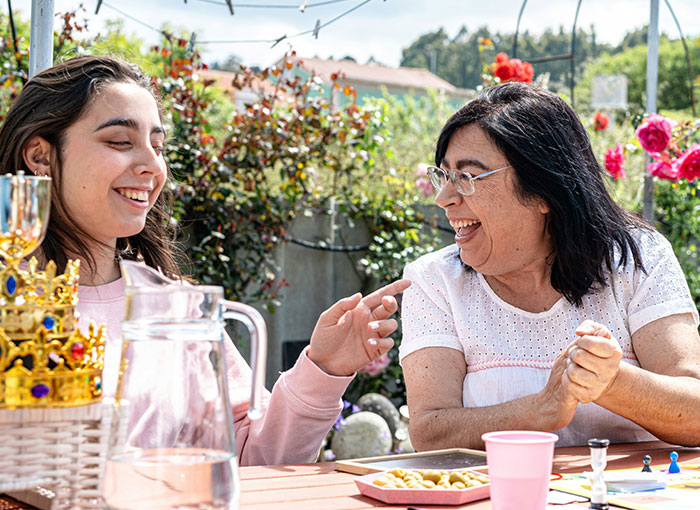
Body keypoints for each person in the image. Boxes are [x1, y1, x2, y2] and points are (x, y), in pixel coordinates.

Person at [0, 55, 410, 465]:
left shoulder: (176, 305)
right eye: (121, 142)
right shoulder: (10, 298)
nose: (151, 166)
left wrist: (323, 369)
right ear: (39, 155)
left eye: (158, 147)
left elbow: (254, 460)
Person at [399, 82, 700, 449]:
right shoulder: (434, 280)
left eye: (466, 177)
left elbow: (695, 412)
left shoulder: (637, 257)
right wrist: (541, 409)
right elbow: (431, 432)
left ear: (544, 190)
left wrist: (612, 382)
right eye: (444, 175)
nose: (444, 198)